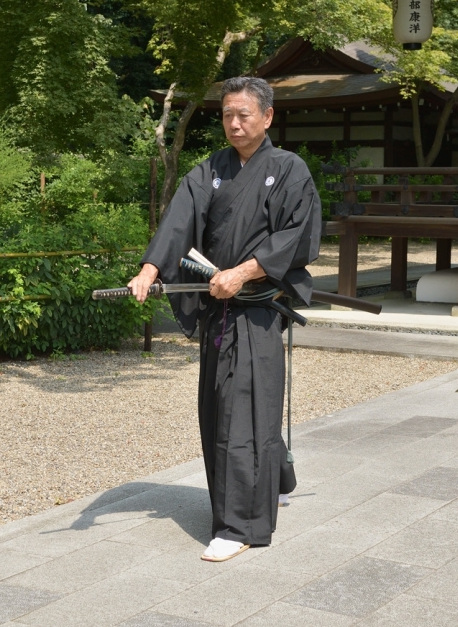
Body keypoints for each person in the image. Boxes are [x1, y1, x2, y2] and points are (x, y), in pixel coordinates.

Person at [128, 76, 321, 562]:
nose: (234, 124)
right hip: (218, 309)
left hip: (256, 312)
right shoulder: (210, 169)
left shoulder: (289, 169)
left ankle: (240, 526)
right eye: (227, 115)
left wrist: (246, 271)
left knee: (243, 414)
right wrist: (150, 269)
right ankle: (271, 482)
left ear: (268, 117)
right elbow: (179, 219)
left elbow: (296, 236)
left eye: (244, 115)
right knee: (220, 407)